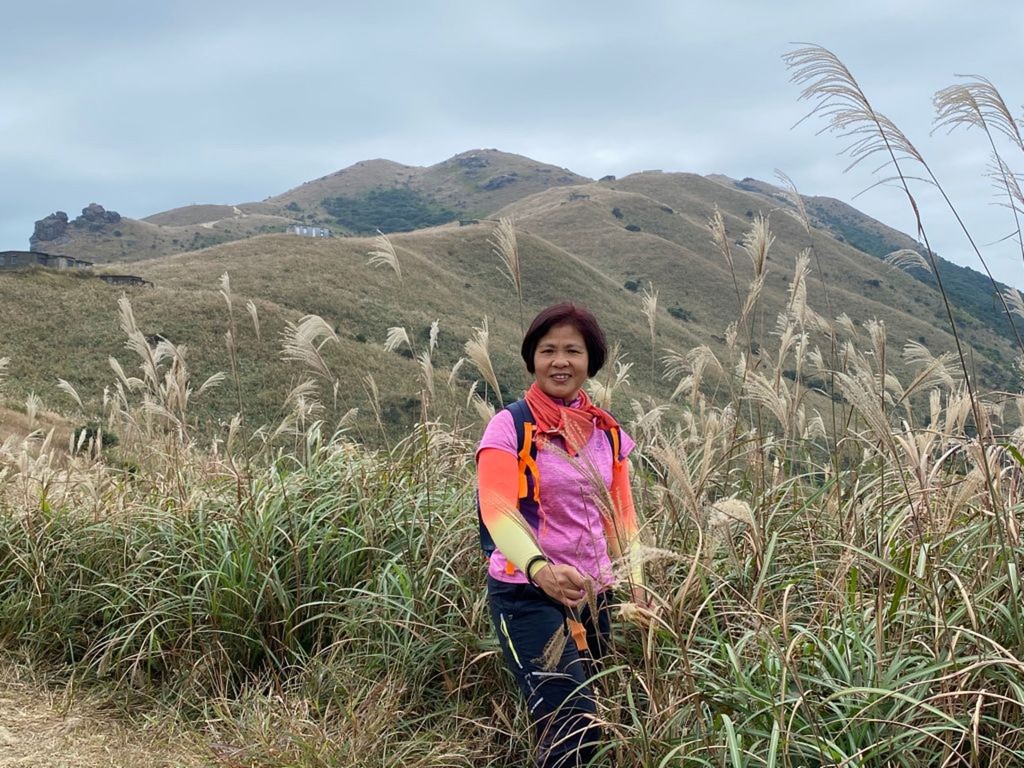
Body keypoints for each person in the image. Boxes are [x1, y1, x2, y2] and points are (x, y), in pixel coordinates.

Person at [477, 302, 647, 768]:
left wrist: (636, 583)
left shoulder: (605, 432)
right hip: (526, 594)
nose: (560, 361)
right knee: (573, 723)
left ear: (590, 362)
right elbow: (497, 510)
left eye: (573, 350)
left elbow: (622, 517)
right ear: (532, 359)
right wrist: (540, 569)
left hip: (595, 594)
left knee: (590, 722)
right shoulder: (510, 427)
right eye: (548, 350)